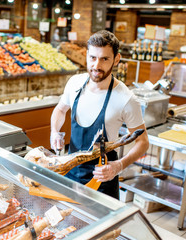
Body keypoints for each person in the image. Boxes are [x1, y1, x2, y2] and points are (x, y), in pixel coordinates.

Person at [50, 30, 149, 199]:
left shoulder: (126, 99)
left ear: (116, 59)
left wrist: (118, 166)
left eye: (104, 59)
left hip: (103, 179)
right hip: (71, 171)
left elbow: (143, 142)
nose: (96, 65)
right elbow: (60, 109)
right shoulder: (74, 83)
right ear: (87, 55)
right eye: (93, 58)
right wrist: (54, 131)